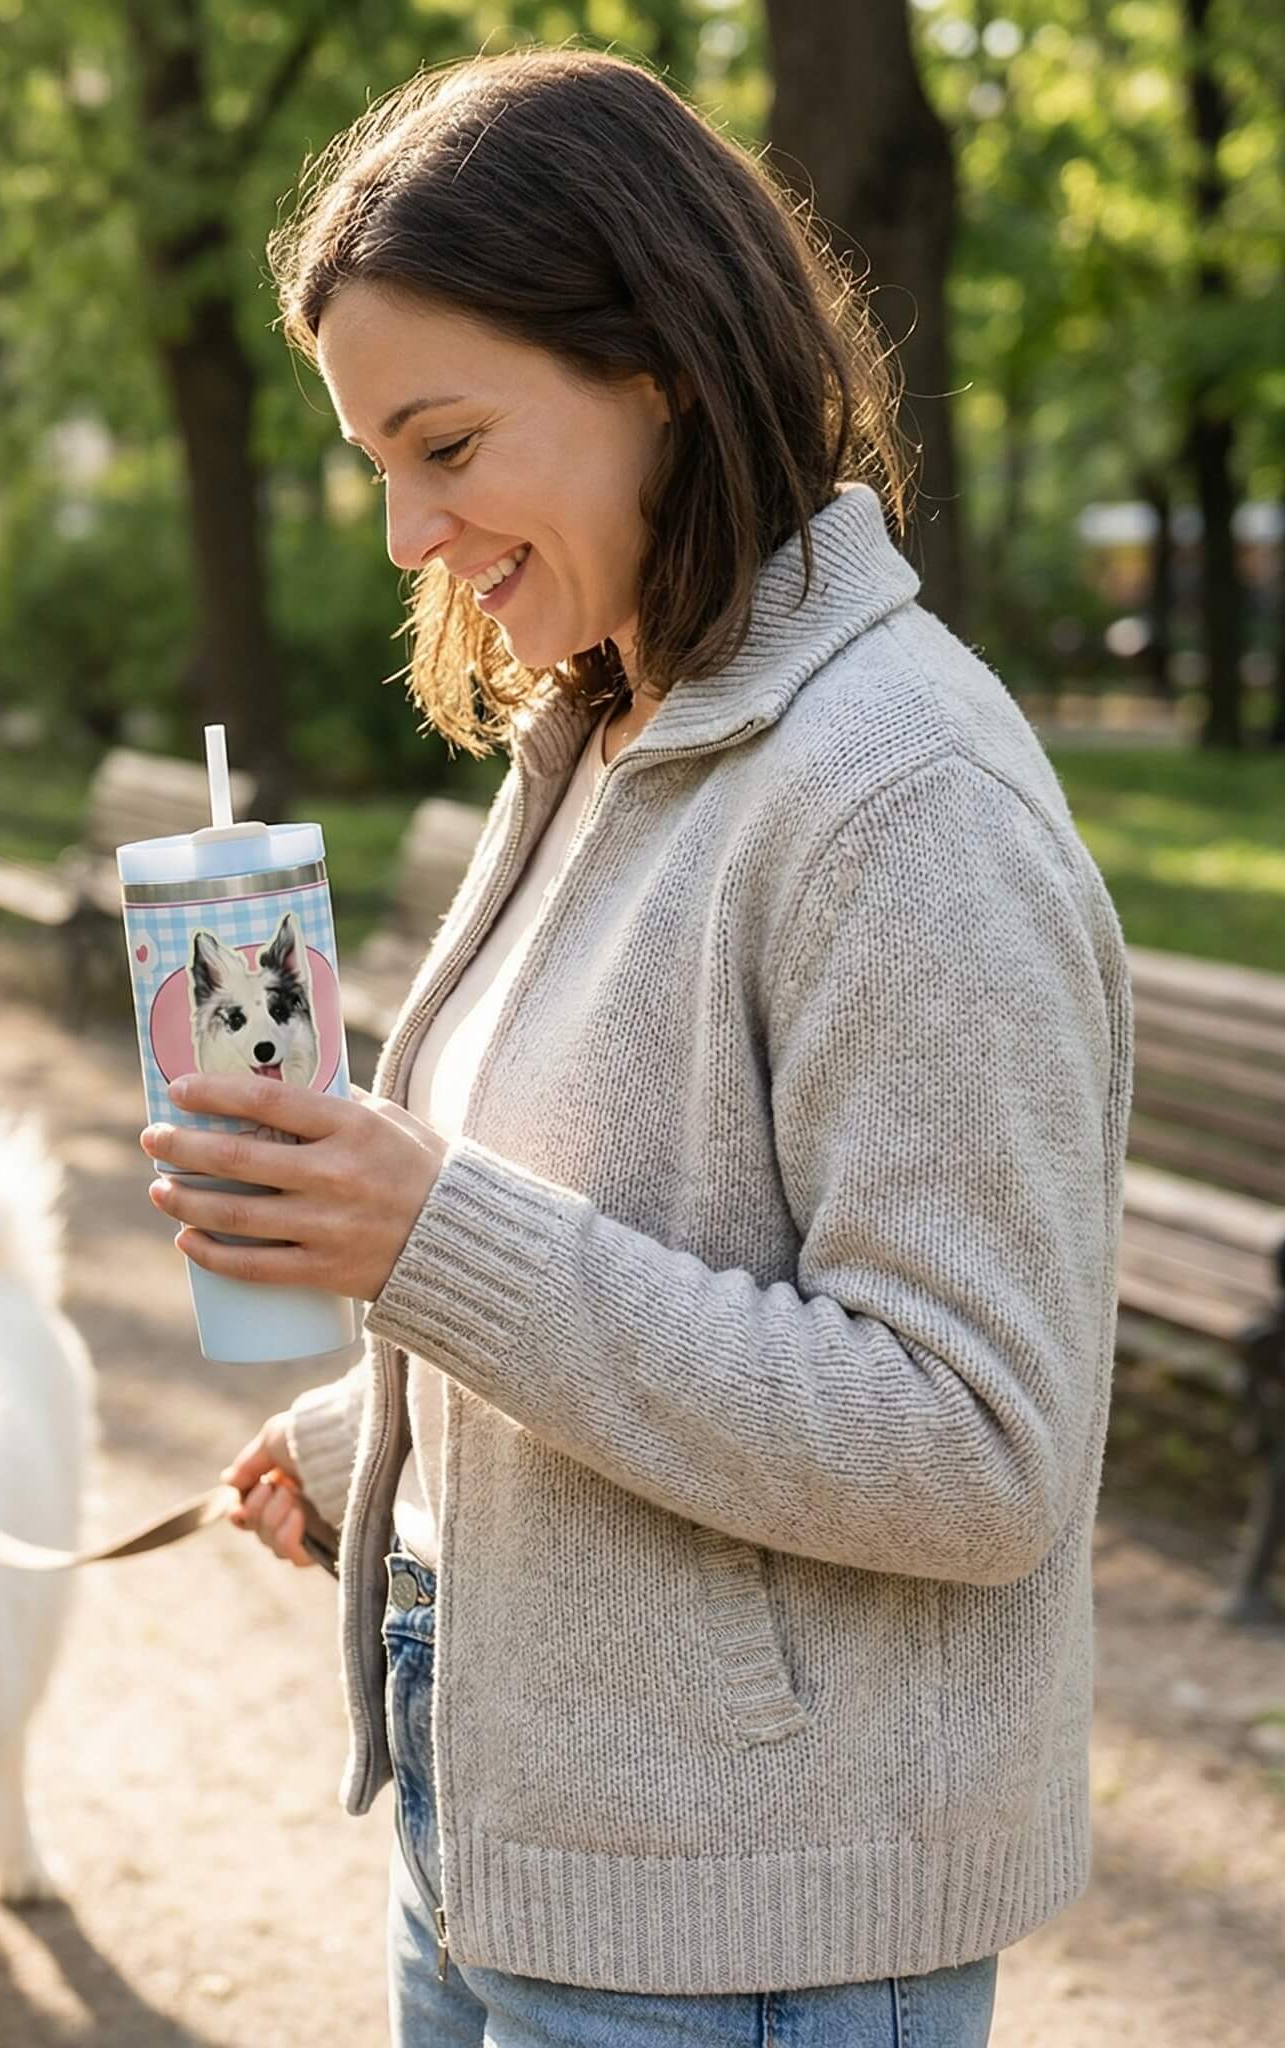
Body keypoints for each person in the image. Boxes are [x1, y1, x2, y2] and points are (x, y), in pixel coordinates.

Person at [136, 48, 1131, 2048]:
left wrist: (429, 1243)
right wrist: (380, 1447)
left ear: (657, 363)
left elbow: (974, 1444)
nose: (405, 532)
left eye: (444, 443)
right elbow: (653, 1235)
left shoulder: (895, 799)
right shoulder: (614, 731)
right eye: (376, 464)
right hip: (516, 1832)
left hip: (745, 1929)